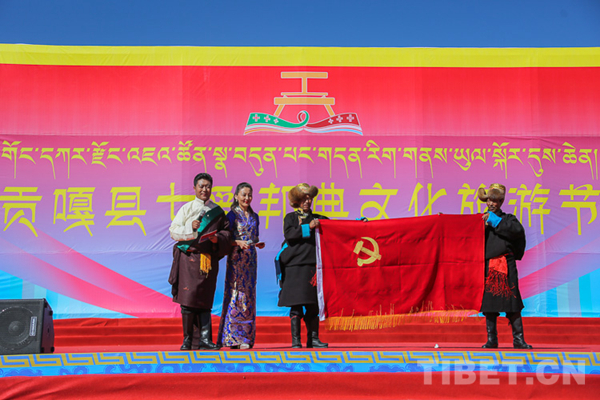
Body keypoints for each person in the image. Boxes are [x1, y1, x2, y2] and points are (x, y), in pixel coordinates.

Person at [168, 173, 232, 351]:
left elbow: (227, 233)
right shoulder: (186, 208)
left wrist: (218, 238)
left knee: (205, 300)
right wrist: (190, 227)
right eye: (201, 186)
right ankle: (187, 340)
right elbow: (173, 231)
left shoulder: (217, 211)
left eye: (208, 186)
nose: (205, 189)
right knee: (188, 300)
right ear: (195, 188)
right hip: (188, 259)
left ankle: (205, 339)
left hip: (206, 260)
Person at [478, 183, 532, 349]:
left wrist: (494, 221)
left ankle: (518, 340)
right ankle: (491, 340)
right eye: (489, 200)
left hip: (506, 265)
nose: (491, 203)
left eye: (495, 200)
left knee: (513, 303)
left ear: (501, 202)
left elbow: (517, 232)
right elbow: (461, 231)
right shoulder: (479, 221)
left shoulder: (509, 219)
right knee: (489, 304)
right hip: (488, 266)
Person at [277, 183, 329, 349]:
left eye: (309, 198)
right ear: (296, 200)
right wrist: (308, 227)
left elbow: (338, 227)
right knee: (296, 306)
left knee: (313, 305)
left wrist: (359, 223)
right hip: (294, 267)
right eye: (303, 198)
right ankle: (296, 341)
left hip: (312, 267)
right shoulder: (290, 218)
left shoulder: (319, 218)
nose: (307, 201)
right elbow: (290, 235)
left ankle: (313, 339)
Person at [217, 182, 265, 350]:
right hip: (236, 259)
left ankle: (246, 337)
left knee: (249, 295)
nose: (247, 198)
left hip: (250, 259)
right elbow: (225, 238)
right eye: (244, 195)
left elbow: (254, 237)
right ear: (236, 196)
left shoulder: (254, 216)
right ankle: (232, 337)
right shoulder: (231, 216)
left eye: (249, 195)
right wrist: (237, 242)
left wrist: (257, 244)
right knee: (236, 294)